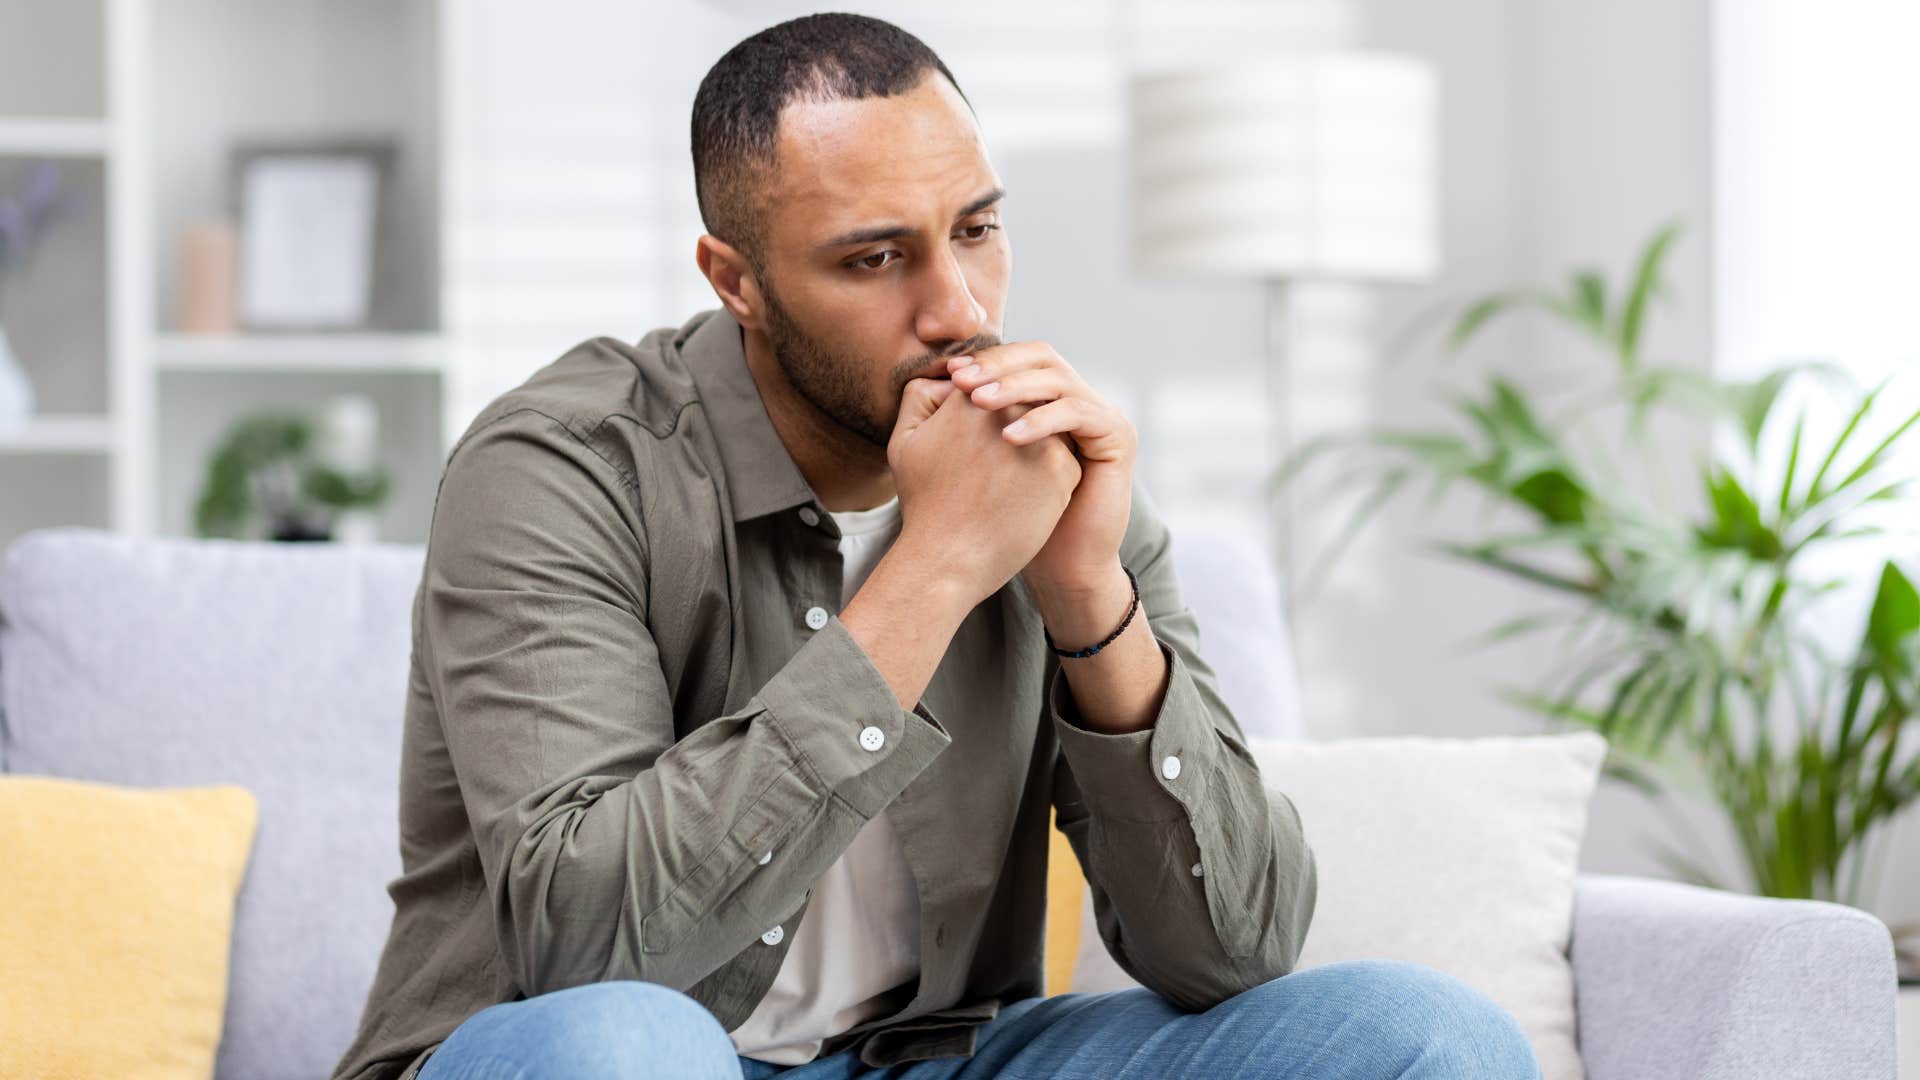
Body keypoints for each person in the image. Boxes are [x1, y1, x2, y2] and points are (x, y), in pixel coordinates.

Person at [329, 13, 1541, 1080]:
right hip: (573, 1054)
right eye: (874, 257)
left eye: (976, 229)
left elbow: (1237, 953)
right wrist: (941, 565)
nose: (958, 308)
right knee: (630, 1049)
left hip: (935, 1057)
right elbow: (589, 947)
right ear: (735, 279)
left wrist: (1086, 598)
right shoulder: (564, 465)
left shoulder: (1048, 467)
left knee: (1432, 1041)